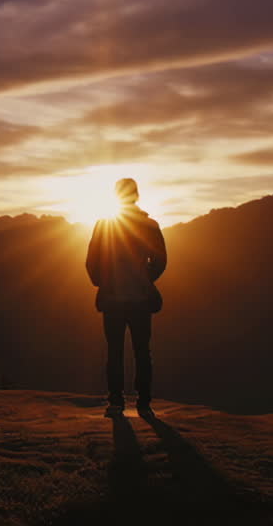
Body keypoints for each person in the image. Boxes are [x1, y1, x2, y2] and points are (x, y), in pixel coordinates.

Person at [85, 177, 167, 417]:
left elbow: (92, 261)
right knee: (142, 351)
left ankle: (116, 402)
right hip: (140, 299)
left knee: (115, 351)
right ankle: (144, 404)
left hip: (112, 299)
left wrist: (103, 281)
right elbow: (161, 260)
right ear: (136, 196)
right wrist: (145, 278)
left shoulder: (103, 225)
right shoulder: (149, 225)